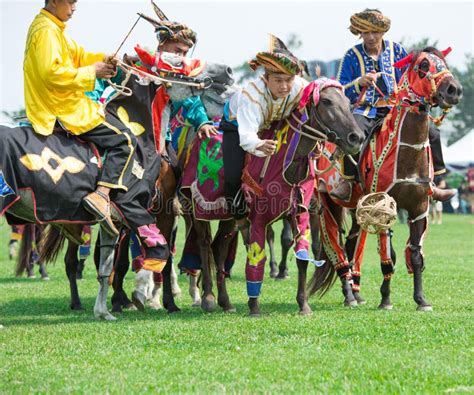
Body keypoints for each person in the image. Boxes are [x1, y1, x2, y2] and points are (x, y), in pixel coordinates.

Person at [24, 0, 169, 273]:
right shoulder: (45, 30)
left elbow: (78, 55)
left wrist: (106, 59)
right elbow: (50, 73)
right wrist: (95, 72)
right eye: (70, 2)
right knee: (125, 140)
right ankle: (102, 195)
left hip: (66, 104)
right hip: (61, 108)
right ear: (54, 1)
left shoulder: (54, 28)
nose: (74, 7)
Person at [333, 8, 454, 202]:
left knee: (432, 131)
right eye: (366, 32)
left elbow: (412, 80)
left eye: (375, 31)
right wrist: (359, 82)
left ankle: (436, 182)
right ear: (359, 33)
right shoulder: (351, 56)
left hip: (397, 109)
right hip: (365, 111)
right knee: (351, 134)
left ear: (383, 31)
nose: (371, 36)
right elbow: (339, 90)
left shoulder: (397, 51)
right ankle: (347, 182)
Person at [220, 35, 308, 234]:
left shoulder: (300, 87)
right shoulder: (252, 96)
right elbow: (247, 136)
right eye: (278, 80)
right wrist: (258, 145)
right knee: (232, 177)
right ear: (265, 78)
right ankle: (240, 218)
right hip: (237, 126)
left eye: (288, 80)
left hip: (276, 122)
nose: (284, 86)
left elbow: (320, 94)